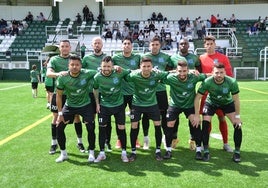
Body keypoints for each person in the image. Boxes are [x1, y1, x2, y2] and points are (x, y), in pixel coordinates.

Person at [193, 63, 243, 162]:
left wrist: (237, 116)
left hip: (226, 103)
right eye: (216, 73)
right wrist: (197, 115)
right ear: (212, 73)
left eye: (221, 73)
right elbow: (197, 98)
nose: (219, 75)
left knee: (238, 125)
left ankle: (237, 152)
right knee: (206, 123)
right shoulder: (207, 81)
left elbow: (236, 100)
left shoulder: (232, 82)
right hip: (211, 103)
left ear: (225, 73)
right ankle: (206, 151)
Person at [55, 55, 97, 163]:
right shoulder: (63, 77)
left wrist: (115, 68)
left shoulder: (87, 73)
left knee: (91, 128)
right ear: (68, 66)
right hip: (70, 106)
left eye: (77, 65)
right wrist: (60, 113)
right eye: (72, 64)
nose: (74, 67)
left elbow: (101, 70)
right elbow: (59, 96)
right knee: (59, 127)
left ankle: (91, 152)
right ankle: (63, 154)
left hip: (86, 105)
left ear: (81, 66)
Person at [126, 57, 169, 161]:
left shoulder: (156, 74)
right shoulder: (134, 75)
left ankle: (158, 150)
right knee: (134, 125)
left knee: (157, 125)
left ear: (152, 67)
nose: (146, 69)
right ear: (140, 67)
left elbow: (168, 74)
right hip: (137, 104)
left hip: (152, 104)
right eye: (144, 66)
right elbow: (125, 76)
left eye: (148, 66)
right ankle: (133, 152)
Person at [46, 40, 85, 155]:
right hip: (58, 94)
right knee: (56, 118)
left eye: (67, 46)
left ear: (70, 48)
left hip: (73, 94)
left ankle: (80, 142)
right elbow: (48, 73)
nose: (64, 48)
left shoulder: (75, 59)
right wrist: (58, 74)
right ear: (59, 48)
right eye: (62, 46)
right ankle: (54, 143)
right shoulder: (54, 60)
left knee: (77, 117)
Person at [163, 61, 206, 160]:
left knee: (195, 122)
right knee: (169, 124)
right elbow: (159, 76)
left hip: (189, 105)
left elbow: (207, 76)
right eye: (179, 71)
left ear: (188, 70)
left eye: (184, 71)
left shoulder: (194, 77)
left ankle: (199, 150)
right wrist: (171, 72)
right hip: (175, 105)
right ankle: (168, 150)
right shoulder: (171, 78)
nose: (182, 74)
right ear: (176, 71)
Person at [199, 35, 233, 152]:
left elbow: (229, 75)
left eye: (211, 43)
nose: (209, 46)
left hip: (220, 94)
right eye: (207, 44)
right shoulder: (201, 58)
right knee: (206, 120)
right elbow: (199, 75)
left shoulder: (223, 57)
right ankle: (205, 144)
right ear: (204, 45)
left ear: (215, 44)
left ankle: (225, 143)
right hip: (206, 94)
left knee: (222, 118)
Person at [93, 56, 130, 163]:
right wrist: (97, 103)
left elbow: (129, 72)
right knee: (102, 128)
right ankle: (102, 153)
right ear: (101, 66)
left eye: (109, 66)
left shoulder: (119, 73)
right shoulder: (97, 77)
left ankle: (124, 153)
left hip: (119, 105)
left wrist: (121, 68)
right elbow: (95, 89)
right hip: (104, 106)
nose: (106, 69)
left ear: (112, 66)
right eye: (104, 66)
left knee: (121, 128)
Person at [141, 37, 173, 150]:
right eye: (152, 44)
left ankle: (164, 137)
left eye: (156, 44)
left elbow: (171, 70)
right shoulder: (144, 57)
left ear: (160, 45)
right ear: (149, 46)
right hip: (147, 91)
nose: (154, 46)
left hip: (161, 90)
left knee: (164, 115)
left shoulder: (166, 57)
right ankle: (146, 139)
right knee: (145, 115)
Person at [170, 38, 201, 150]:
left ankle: (192, 140)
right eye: (181, 44)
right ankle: (174, 138)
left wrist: (193, 72)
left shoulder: (194, 58)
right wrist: (178, 71)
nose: (183, 45)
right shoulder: (172, 58)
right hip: (176, 93)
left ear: (189, 46)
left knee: (192, 120)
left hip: (189, 94)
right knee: (174, 119)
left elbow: (199, 72)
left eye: (185, 44)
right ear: (178, 45)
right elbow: (167, 71)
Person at [112, 36, 141, 149]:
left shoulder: (137, 57)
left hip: (134, 93)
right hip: (120, 93)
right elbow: (109, 67)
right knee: (119, 118)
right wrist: (114, 66)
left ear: (132, 46)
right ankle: (119, 139)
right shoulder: (116, 57)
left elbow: (142, 69)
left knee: (135, 118)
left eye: (129, 43)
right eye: (124, 43)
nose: (127, 45)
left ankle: (136, 139)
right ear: (121, 46)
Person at [82, 36, 109, 151]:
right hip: (90, 93)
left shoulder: (107, 58)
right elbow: (81, 73)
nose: (97, 45)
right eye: (95, 43)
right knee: (91, 120)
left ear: (102, 45)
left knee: (105, 119)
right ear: (92, 45)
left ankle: (106, 142)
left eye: (99, 43)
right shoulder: (86, 58)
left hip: (105, 93)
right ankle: (91, 144)